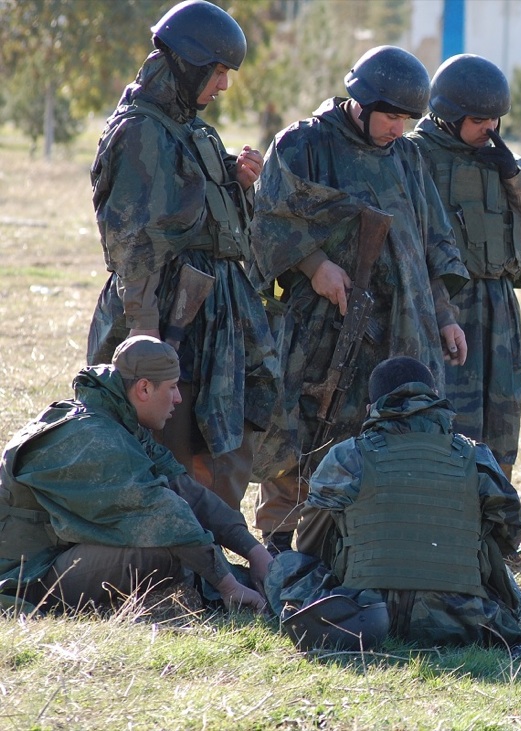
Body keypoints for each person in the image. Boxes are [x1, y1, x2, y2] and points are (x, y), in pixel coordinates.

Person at [247, 46, 470, 553]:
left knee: (384, 426)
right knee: (302, 424)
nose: (398, 128)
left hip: (401, 323)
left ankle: (364, 539)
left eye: (407, 120)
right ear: (362, 102)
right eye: (391, 116)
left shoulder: (408, 157)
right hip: (321, 323)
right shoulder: (305, 145)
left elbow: (432, 241)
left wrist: (445, 316)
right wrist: (314, 265)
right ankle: (281, 544)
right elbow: (267, 219)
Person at [85, 0, 278, 515]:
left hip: (216, 314)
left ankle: (211, 545)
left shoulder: (191, 129)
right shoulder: (139, 131)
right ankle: (174, 559)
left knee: (219, 439)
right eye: (217, 72)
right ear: (188, 62)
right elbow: (134, 243)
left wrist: (236, 183)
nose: (223, 86)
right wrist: (146, 336)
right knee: (171, 437)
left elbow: (202, 216)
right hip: (169, 313)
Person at [264, 356, 521, 648]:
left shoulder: (348, 455)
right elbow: (508, 535)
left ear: (370, 409)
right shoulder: (476, 457)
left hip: (360, 615)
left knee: (286, 565)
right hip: (464, 619)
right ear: (435, 399)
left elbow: (311, 543)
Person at [0, 336, 270, 613]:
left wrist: (256, 553)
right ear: (143, 389)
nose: (178, 398)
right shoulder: (94, 438)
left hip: (63, 552)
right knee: (165, 549)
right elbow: (164, 516)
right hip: (28, 576)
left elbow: (184, 490)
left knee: (185, 541)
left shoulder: (117, 419)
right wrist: (229, 587)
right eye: (173, 387)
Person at [408, 54, 521, 478]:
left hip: (499, 309)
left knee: (501, 423)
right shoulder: (412, 158)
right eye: (479, 119)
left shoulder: (506, 163)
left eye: (496, 119)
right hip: (443, 307)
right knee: (445, 420)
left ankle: (493, 528)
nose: (490, 129)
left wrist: (513, 178)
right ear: (447, 115)